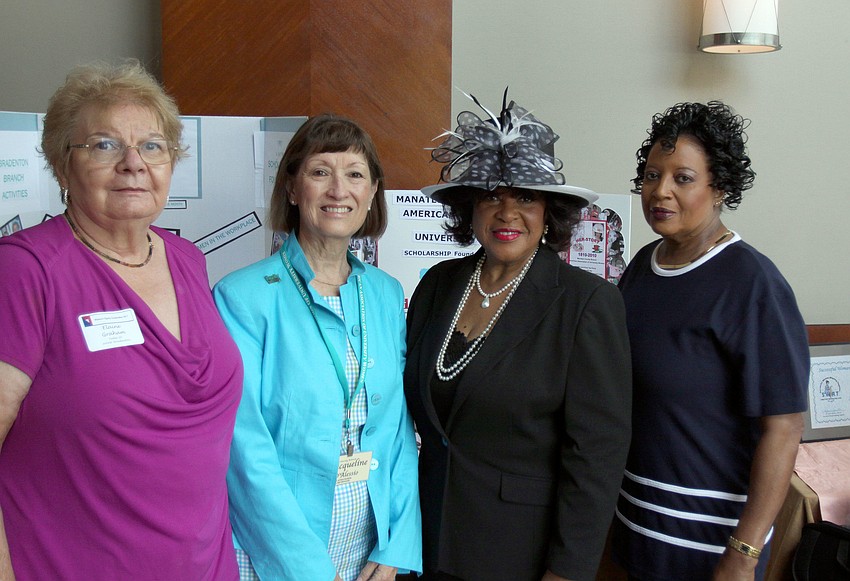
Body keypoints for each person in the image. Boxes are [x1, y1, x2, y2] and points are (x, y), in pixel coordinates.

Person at [0, 61, 243, 579]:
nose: (133, 163)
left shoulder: (186, 259)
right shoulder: (25, 269)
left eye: (152, 146)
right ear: (62, 167)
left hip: (205, 566)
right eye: (104, 145)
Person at [404, 91, 632, 581]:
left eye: (526, 197)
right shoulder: (438, 284)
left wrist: (568, 571)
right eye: (492, 195)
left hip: (520, 555)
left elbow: (597, 456)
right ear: (471, 207)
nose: (507, 213)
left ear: (550, 210)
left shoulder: (586, 303)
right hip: (426, 540)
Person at [213, 114, 422, 581]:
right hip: (275, 550)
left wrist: (396, 547)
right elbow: (243, 447)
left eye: (354, 174)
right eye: (320, 171)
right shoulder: (242, 295)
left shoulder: (386, 294)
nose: (338, 190)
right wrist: (305, 569)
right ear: (292, 188)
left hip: (369, 544)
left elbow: (397, 430)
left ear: (371, 194)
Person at [610, 101, 809, 581]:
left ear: (719, 187)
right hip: (635, 526)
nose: (660, 191)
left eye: (683, 178)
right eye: (652, 175)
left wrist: (742, 554)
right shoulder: (641, 267)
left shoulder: (752, 282)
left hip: (710, 545)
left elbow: (783, 428)